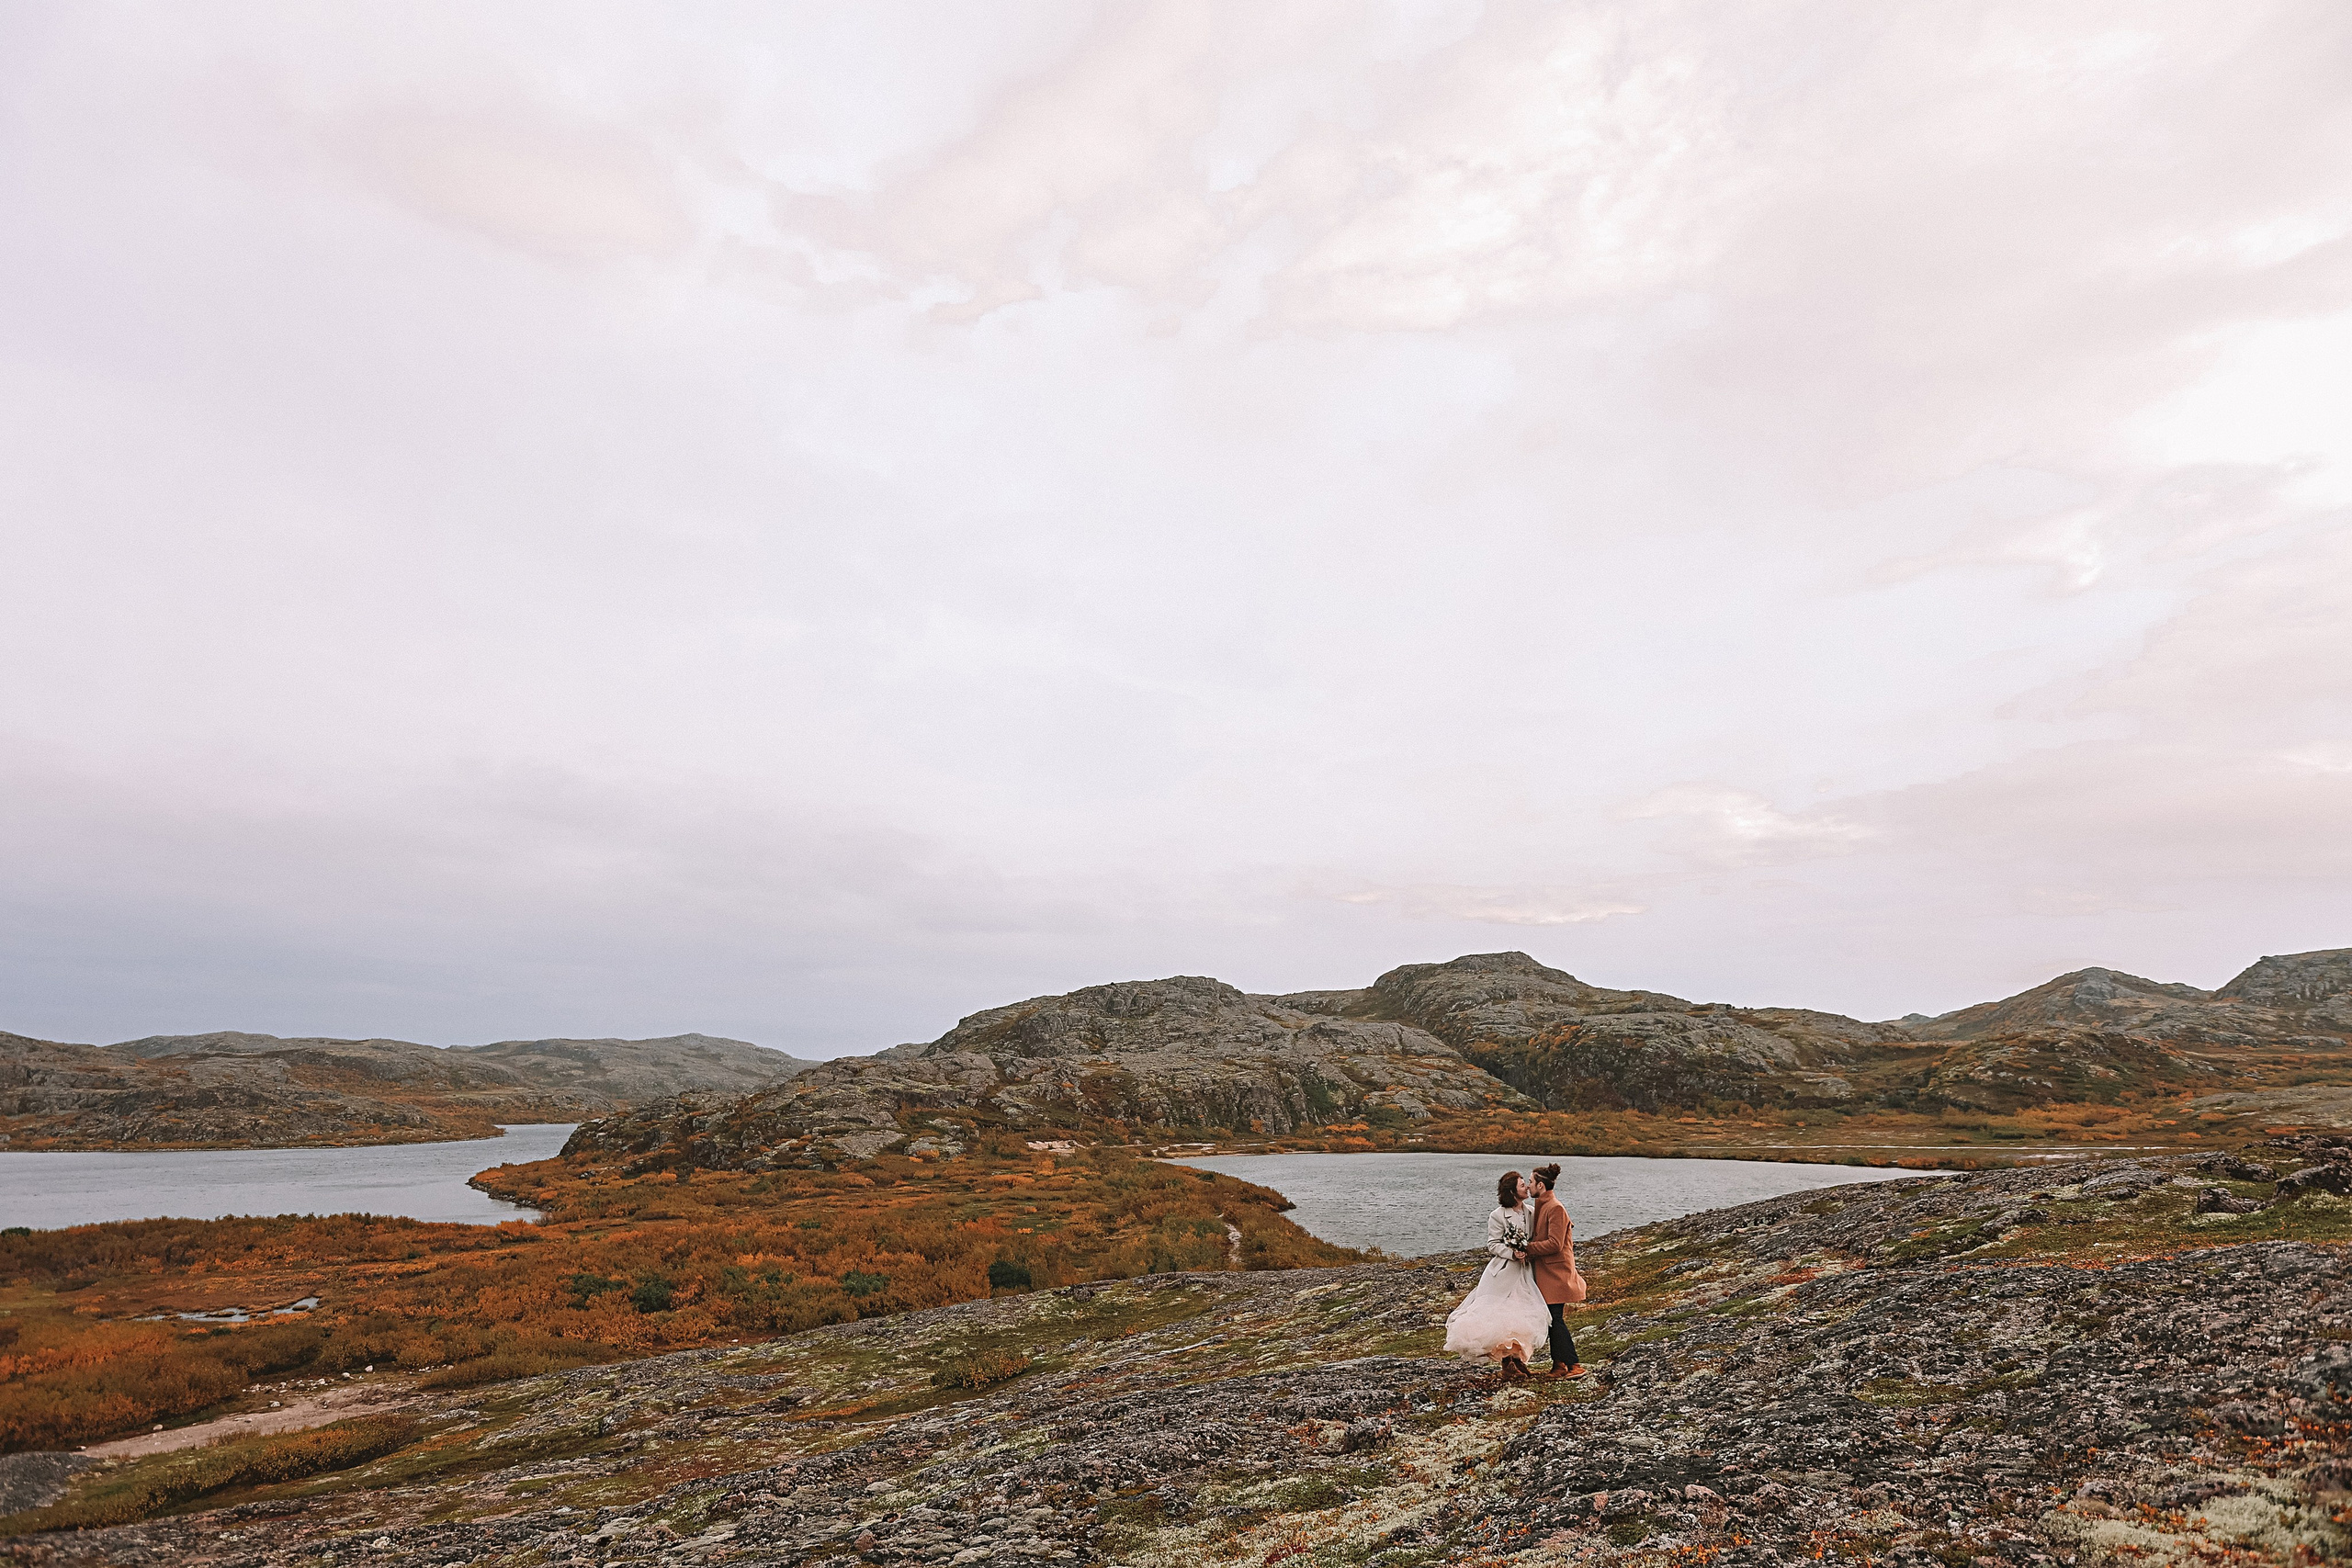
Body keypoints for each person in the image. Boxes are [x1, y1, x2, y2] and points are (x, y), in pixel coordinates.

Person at [1442, 1170, 1551, 1379]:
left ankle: (1517, 1360)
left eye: (1526, 1184)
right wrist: (1512, 1252)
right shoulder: (1497, 1215)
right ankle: (1507, 1363)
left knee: (1522, 1314)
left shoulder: (1530, 1212)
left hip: (1525, 1273)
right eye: (1521, 1185)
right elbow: (1493, 1244)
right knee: (1501, 1316)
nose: (1526, 1187)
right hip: (1503, 1273)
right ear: (1512, 1191)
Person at [1521, 1162, 1589, 1379]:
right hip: (1548, 1273)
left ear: (1540, 1185)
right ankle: (1558, 1365)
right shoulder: (1543, 1205)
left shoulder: (1555, 1208)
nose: (1528, 1186)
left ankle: (1574, 1365)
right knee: (1552, 1319)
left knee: (1555, 1319)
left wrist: (1527, 1248)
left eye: (1530, 1182)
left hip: (1557, 1274)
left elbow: (1555, 1244)